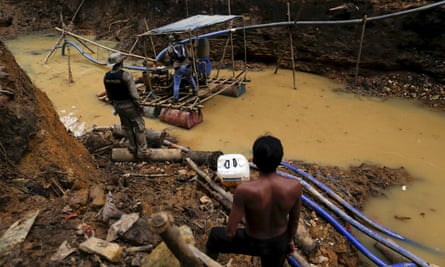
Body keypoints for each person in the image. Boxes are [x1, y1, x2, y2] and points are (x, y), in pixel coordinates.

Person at [206, 135, 303, 267]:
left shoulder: (245, 190)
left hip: (253, 242)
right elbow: (294, 220)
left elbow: (230, 231)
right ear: (280, 160)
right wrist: (289, 241)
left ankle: (206, 263)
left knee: (215, 236)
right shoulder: (294, 186)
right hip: (279, 243)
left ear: (255, 161)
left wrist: (231, 236)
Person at [103, 52, 151, 159]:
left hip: (118, 105)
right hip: (129, 105)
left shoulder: (106, 77)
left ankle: (133, 147)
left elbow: (109, 95)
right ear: (121, 62)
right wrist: (140, 107)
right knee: (139, 126)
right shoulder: (125, 75)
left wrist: (115, 106)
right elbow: (134, 95)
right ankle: (142, 151)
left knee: (127, 127)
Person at [167, 34, 198, 102]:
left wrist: (172, 63)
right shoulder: (182, 44)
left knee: (176, 83)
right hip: (186, 65)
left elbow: (170, 58)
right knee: (190, 78)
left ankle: (175, 98)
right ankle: (195, 91)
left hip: (178, 67)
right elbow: (189, 55)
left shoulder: (169, 47)